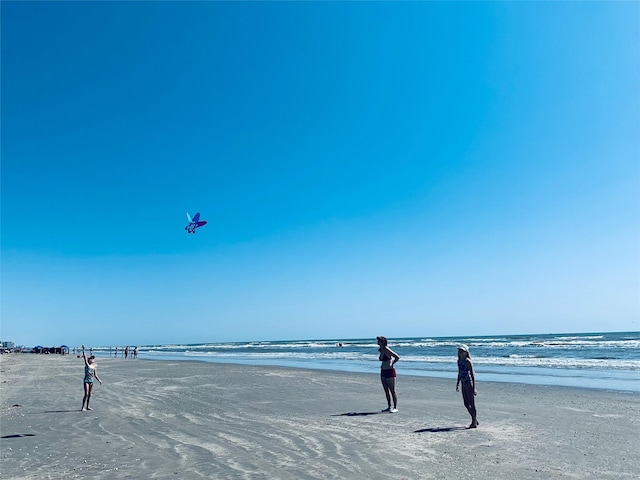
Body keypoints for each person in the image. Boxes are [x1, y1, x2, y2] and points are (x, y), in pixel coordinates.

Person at [456, 344, 478, 428]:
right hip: (463, 383)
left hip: (469, 383)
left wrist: (474, 388)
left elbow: (472, 374)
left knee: (472, 403)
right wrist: (457, 383)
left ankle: (474, 422)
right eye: (459, 351)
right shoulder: (459, 361)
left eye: (462, 351)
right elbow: (459, 372)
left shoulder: (468, 361)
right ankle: (474, 419)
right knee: (466, 403)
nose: (460, 352)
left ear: (466, 352)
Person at [377, 336, 400, 413]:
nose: (378, 342)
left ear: (383, 342)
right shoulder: (381, 350)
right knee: (386, 390)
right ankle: (389, 406)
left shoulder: (386, 349)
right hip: (383, 371)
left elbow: (397, 357)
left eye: (379, 341)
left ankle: (395, 407)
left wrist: (392, 362)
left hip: (390, 371)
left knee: (392, 390)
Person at [81, 344, 102, 411]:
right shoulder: (87, 365)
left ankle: (87, 406)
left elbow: (95, 375)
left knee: (90, 395)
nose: (93, 359)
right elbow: (84, 357)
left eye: (93, 358)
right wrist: (84, 350)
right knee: (86, 394)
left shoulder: (94, 366)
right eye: (91, 358)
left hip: (91, 381)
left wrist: (99, 380)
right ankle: (82, 407)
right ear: (89, 360)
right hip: (86, 380)